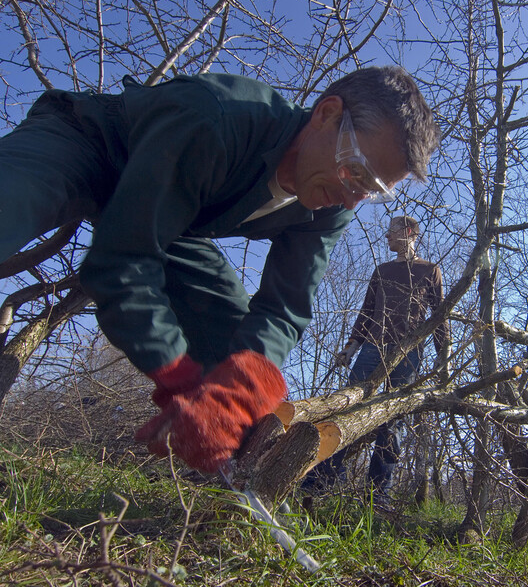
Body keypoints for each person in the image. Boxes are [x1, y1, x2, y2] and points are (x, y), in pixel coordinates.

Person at [0, 67, 440, 473]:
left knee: (242, 363)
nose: (350, 200)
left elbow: (284, 310)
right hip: (88, 141)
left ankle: (237, 493)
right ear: (326, 114)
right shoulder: (217, 119)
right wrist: (177, 376)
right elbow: (123, 259)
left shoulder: (332, 203)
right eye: (355, 172)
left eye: (371, 191)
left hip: (171, 223)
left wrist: (235, 395)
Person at [303, 215, 450, 499]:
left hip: (408, 352)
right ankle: (323, 480)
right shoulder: (381, 271)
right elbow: (366, 312)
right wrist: (351, 347)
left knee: (393, 418)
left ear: (408, 232)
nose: (386, 237)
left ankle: (377, 494)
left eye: (392, 232)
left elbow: (439, 315)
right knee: (347, 408)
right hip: (373, 347)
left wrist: (444, 356)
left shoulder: (430, 270)